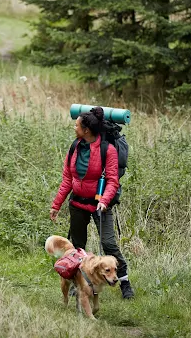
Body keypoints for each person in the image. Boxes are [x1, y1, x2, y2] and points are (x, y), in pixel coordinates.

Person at [49, 107, 134, 299]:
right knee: (78, 247)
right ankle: (78, 284)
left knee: (109, 244)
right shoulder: (75, 147)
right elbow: (67, 179)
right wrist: (56, 205)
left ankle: (124, 282)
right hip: (77, 204)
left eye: (77, 125)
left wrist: (104, 200)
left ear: (86, 130)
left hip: (100, 205)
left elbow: (112, 180)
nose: (74, 128)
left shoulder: (107, 150)